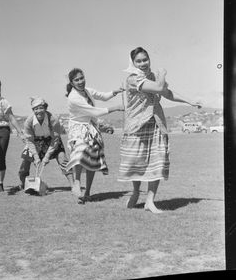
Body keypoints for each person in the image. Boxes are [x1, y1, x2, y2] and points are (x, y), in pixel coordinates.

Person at [118, 47, 201, 213]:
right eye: (138, 61)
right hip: (137, 125)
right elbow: (158, 87)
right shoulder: (133, 79)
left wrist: (189, 101)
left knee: (157, 161)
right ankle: (135, 192)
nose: (143, 63)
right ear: (133, 63)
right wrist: (162, 73)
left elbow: (166, 92)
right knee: (137, 162)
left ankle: (150, 201)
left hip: (155, 122)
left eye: (145, 59)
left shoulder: (153, 77)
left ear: (149, 59)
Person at [65, 68, 124, 204]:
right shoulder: (73, 98)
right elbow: (94, 112)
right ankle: (77, 183)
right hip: (78, 129)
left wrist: (115, 92)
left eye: (82, 78)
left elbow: (102, 95)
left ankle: (87, 193)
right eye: (77, 80)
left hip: (91, 128)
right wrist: (115, 107)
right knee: (79, 153)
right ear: (72, 83)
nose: (80, 81)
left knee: (92, 160)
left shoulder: (87, 91)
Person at [16, 97, 74, 191]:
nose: (38, 111)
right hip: (35, 142)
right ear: (33, 110)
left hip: (52, 141)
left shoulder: (53, 119)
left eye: (41, 108)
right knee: (25, 162)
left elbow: (55, 139)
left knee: (63, 159)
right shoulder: (29, 122)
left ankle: (73, 185)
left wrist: (46, 157)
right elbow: (29, 141)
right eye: (36, 109)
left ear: (45, 108)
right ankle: (24, 185)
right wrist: (36, 157)